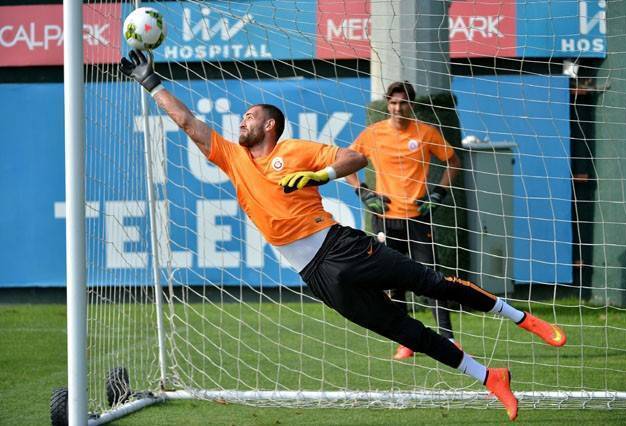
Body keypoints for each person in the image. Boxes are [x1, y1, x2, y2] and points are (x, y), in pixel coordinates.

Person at [120, 49, 567, 422]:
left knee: (430, 283)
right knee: (405, 331)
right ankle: (490, 378)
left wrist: (319, 175)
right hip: (315, 274)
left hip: (340, 246)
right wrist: (151, 82)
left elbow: (355, 159)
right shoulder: (233, 158)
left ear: (270, 125)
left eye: (249, 116)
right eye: (242, 117)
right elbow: (188, 123)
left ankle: (522, 318)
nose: (242, 121)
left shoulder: (295, 150)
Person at [346, 81, 461, 360]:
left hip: (418, 219)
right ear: (388, 104)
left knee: (432, 279)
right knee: (392, 281)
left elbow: (454, 161)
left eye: (403, 102)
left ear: (411, 105)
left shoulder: (426, 132)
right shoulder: (373, 133)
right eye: (393, 103)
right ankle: (406, 341)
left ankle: (449, 338)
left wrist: (440, 192)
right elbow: (347, 163)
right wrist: (362, 191)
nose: (398, 108)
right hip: (385, 220)